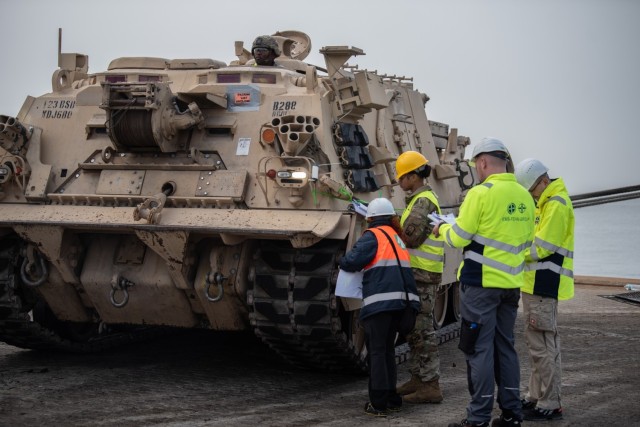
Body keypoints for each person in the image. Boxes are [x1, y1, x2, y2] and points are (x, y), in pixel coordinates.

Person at [434, 137, 535, 427]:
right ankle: (512, 414)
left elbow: (458, 238)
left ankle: (477, 418)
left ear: (482, 162)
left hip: (479, 286)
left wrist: (443, 228)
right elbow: (527, 245)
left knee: (478, 349)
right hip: (510, 287)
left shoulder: (480, 194)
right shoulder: (525, 196)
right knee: (505, 347)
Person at [339, 197, 421, 417]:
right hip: (402, 304)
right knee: (386, 352)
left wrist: (341, 259)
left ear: (371, 218)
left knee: (376, 353)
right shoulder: (397, 237)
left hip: (381, 305)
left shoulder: (373, 236)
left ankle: (378, 403)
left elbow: (351, 261)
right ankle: (392, 399)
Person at [514, 158, 574, 422]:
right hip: (536, 284)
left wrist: (513, 250)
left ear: (542, 182)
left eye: (530, 190)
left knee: (544, 346)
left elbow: (541, 248)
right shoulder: (547, 202)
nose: (530, 195)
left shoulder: (556, 204)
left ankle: (550, 402)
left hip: (544, 283)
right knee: (537, 344)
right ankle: (536, 396)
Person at [394, 151, 444, 404]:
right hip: (418, 274)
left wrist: (389, 223)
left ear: (413, 176)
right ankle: (418, 378)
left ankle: (430, 385)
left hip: (422, 275)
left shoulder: (423, 201)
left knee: (423, 332)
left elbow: (411, 237)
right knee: (414, 330)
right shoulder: (419, 199)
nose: (399, 182)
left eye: (402, 177)